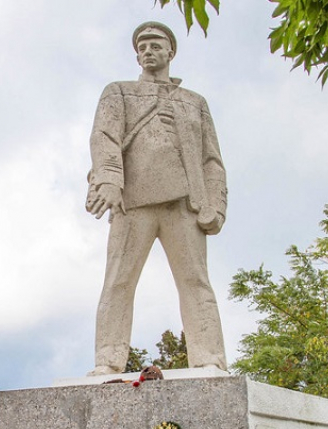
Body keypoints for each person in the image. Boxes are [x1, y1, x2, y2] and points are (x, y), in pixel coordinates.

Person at [85, 21, 228, 376]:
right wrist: (109, 180)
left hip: (186, 204)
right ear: (136, 56)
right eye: (142, 47)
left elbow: (211, 159)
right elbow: (104, 137)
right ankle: (108, 360)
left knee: (196, 282)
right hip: (132, 200)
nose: (148, 52)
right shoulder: (118, 92)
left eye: (155, 46)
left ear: (170, 52)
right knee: (118, 281)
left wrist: (216, 205)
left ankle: (209, 358)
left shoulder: (195, 102)